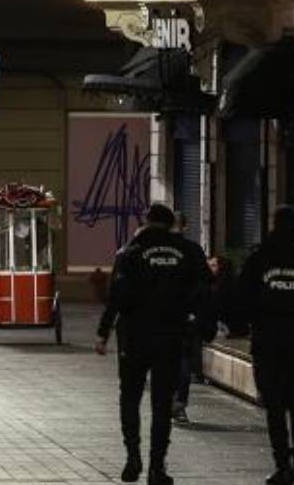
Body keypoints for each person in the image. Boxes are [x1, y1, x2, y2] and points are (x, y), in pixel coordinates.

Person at [96, 203, 212, 485]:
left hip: (134, 336)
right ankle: (157, 468)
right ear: (172, 224)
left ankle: (132, 456)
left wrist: (103, 332)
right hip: (170, 336)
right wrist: (198, 324)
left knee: (130, 397)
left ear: (146, 222)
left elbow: (116, 296)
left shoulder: (130, 252)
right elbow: (205, 287)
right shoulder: (188, 252)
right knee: (162, 404)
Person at [236, 205, 294, 485]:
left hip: (268, 341)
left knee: (275, 407)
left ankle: (282, 466)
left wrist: (253, 320)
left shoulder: (259, 257)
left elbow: (242, 298)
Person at [170, 211, 206, 425]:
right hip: (186, 315)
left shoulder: (150, 250)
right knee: (183, 358)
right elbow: (205, 281)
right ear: (185, 227)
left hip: (161, 317)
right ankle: (179, 403)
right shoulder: (193, 250)